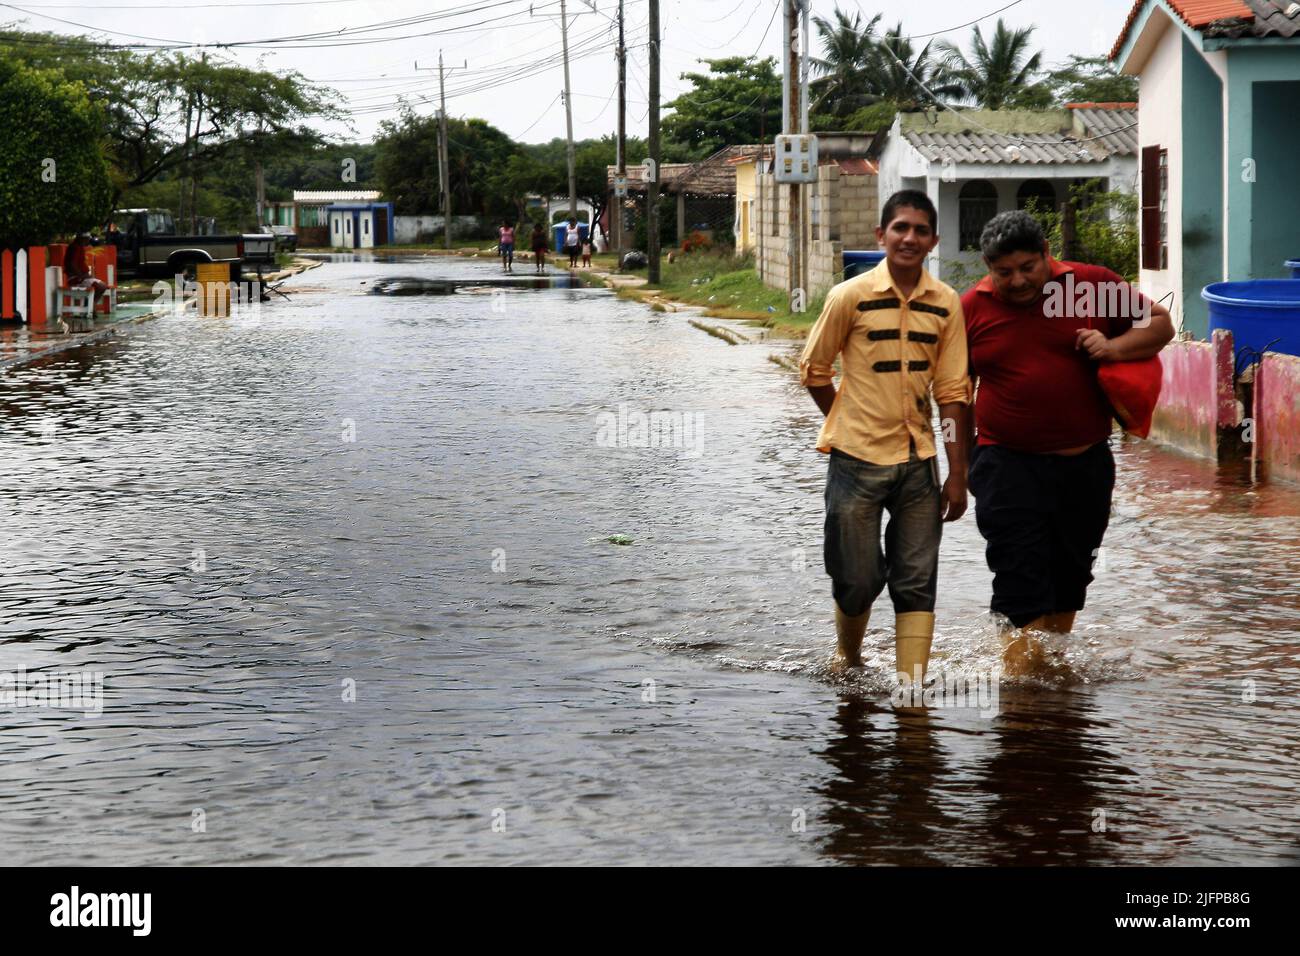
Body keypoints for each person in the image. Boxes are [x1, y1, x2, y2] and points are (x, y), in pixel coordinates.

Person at [962, 211, 1175, 675]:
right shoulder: (971, 308)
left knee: (1070, 576)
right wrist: (960, 469)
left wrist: (1114, 347)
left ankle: (1049, 683)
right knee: (1018, 578)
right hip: (1005, 465)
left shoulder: (1092, 285)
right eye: (1004, 272)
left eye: (1027, 268)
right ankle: (1019, 691)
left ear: (1046, 256)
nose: (1017, 281)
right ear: (987, 266)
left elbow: (1161, 325)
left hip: (1085, 466)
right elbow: (957, 393)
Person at [799, 190, 971, 685]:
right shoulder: (848, 297)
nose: (909, 238)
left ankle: (912, 695)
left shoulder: (946, 305)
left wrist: (957, 475)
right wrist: (847, 420)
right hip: (855, 463)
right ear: (881, 235)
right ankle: (849, 661)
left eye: (920, 230)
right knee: (856, 580)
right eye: (900, 228)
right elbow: (813, 371)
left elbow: (954, 392)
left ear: (933, 241)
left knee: (917, 581)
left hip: (920, 465)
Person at [62, 233, 108, 310]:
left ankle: (91, 304)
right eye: (87, 239)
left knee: (103, 286)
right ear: (82, 238)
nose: (88, 241)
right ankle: (91, 305)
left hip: (82, 277)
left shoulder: (80, 247)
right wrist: (81, 276)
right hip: (77, 278)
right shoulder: (74, 247)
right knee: (101, 286)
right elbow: (72, 264)